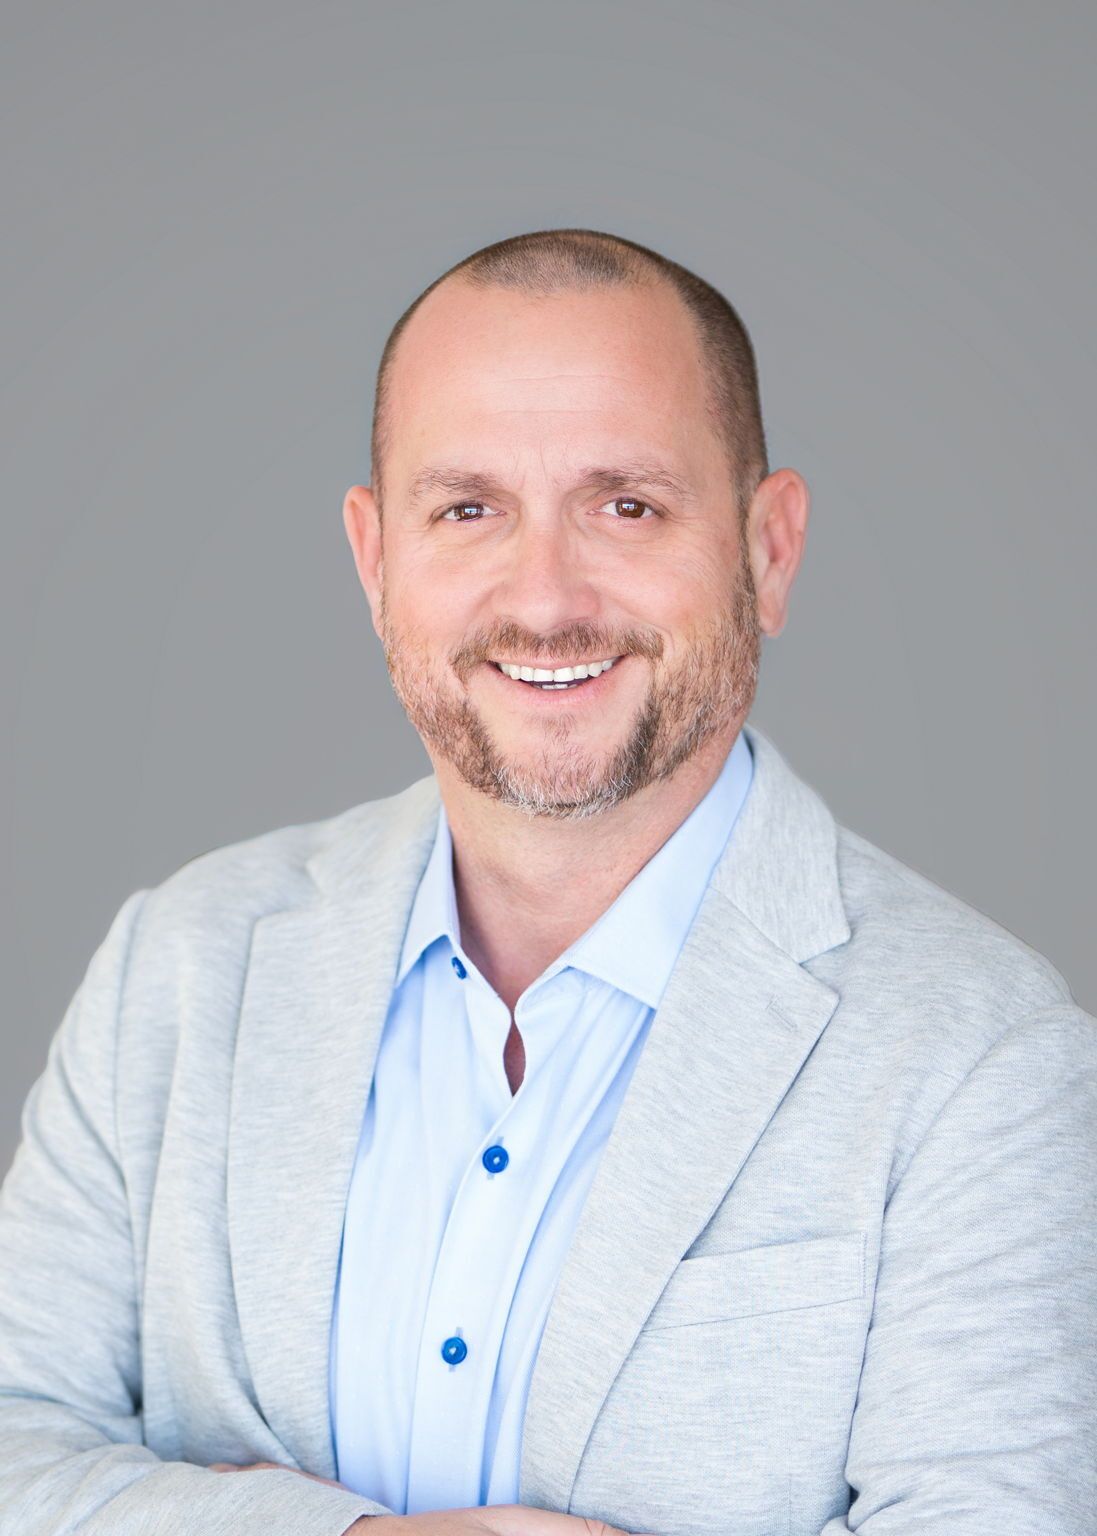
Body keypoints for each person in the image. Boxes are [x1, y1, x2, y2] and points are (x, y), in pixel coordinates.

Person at [0, 227, 1093, 1536]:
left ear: (767, 549)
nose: (545, 599)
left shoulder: (982, 1060)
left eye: (624, 504)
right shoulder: (175, 971)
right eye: (467, 509)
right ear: (374, 561)